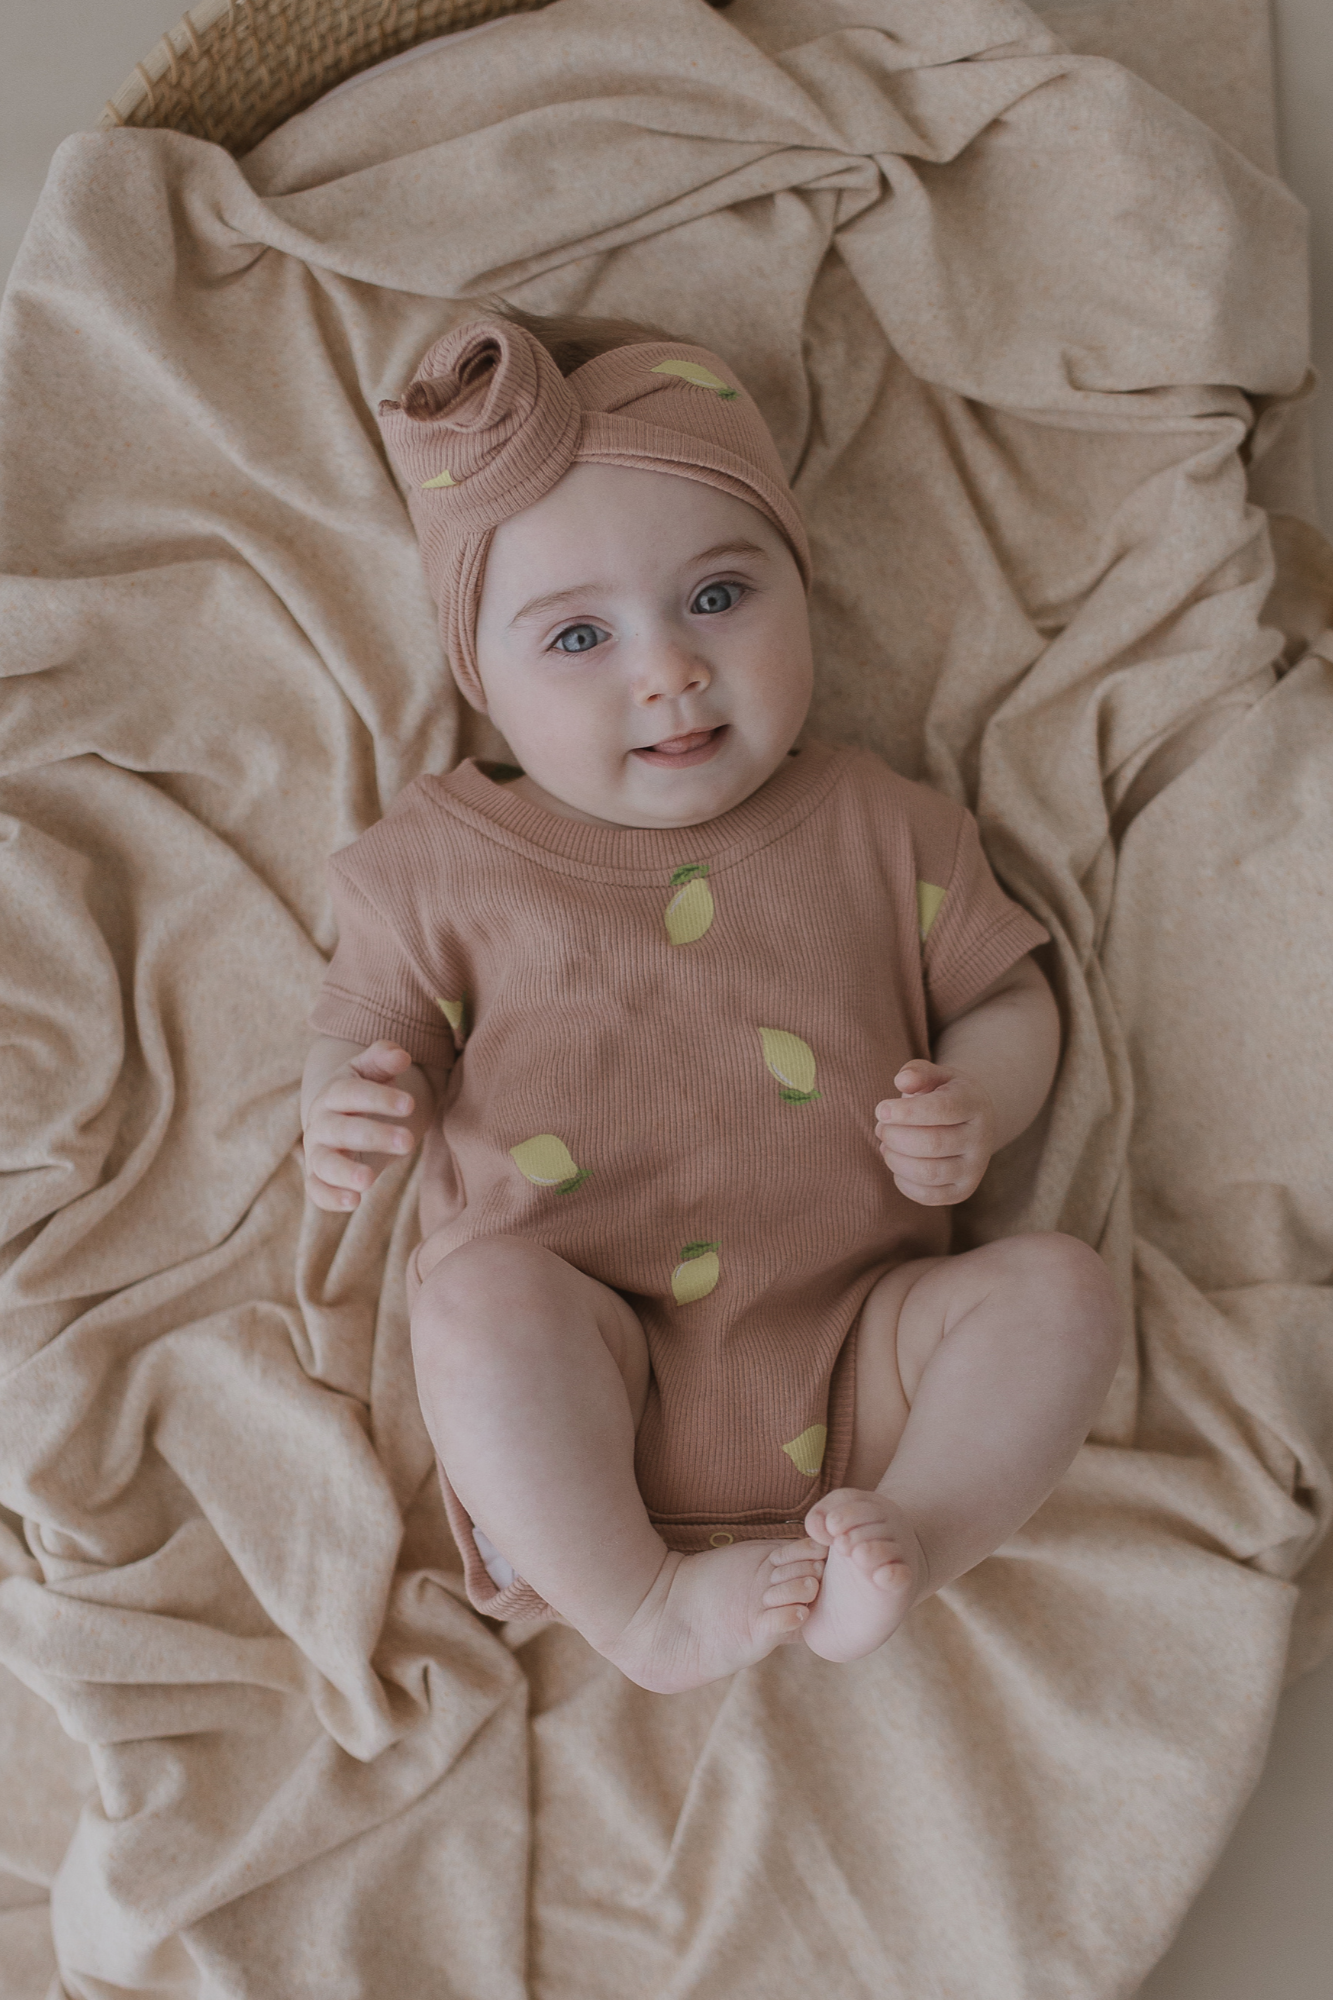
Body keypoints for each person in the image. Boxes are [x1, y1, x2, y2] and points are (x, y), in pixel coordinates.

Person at [299, 305, 1122, 1692]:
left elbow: (1004, 992)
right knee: (474, 1306)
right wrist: (347, 1103)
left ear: (804, 590)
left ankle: (908, 1540)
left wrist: (984, 1095)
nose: (668, 670)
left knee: (1061, 1293)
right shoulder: (444, 858)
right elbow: (364, 1023)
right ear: (481, 681)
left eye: (720, 599)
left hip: (869, 1360)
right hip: (587, 1370)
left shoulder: (887, 827)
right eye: (576, 641)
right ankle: (641, 1608)